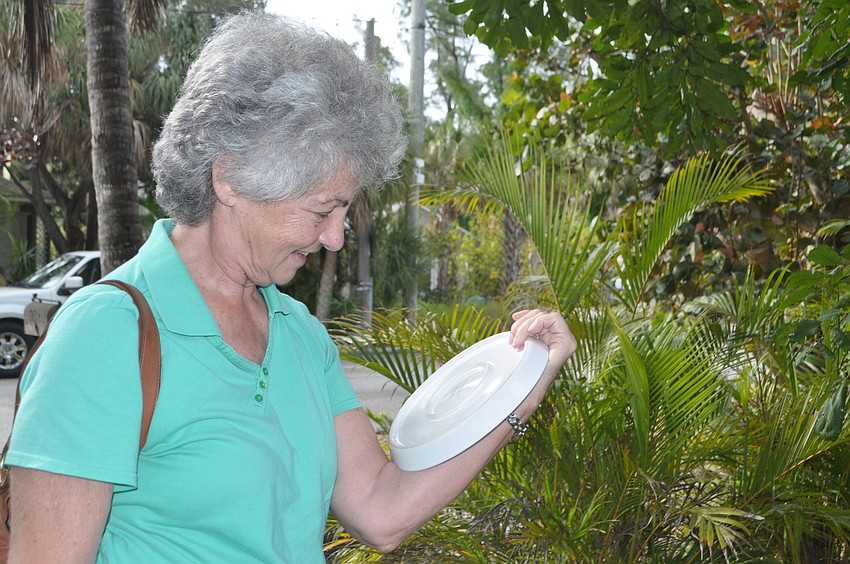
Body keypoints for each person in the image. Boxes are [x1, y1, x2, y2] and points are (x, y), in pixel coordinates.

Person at [6, 11, 576, 563]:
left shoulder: (298, 334)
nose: (334, 238)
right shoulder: (106, 335)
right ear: (228, 178)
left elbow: (382, 509)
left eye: (344, 213)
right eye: (322, 211)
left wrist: (517, 395)